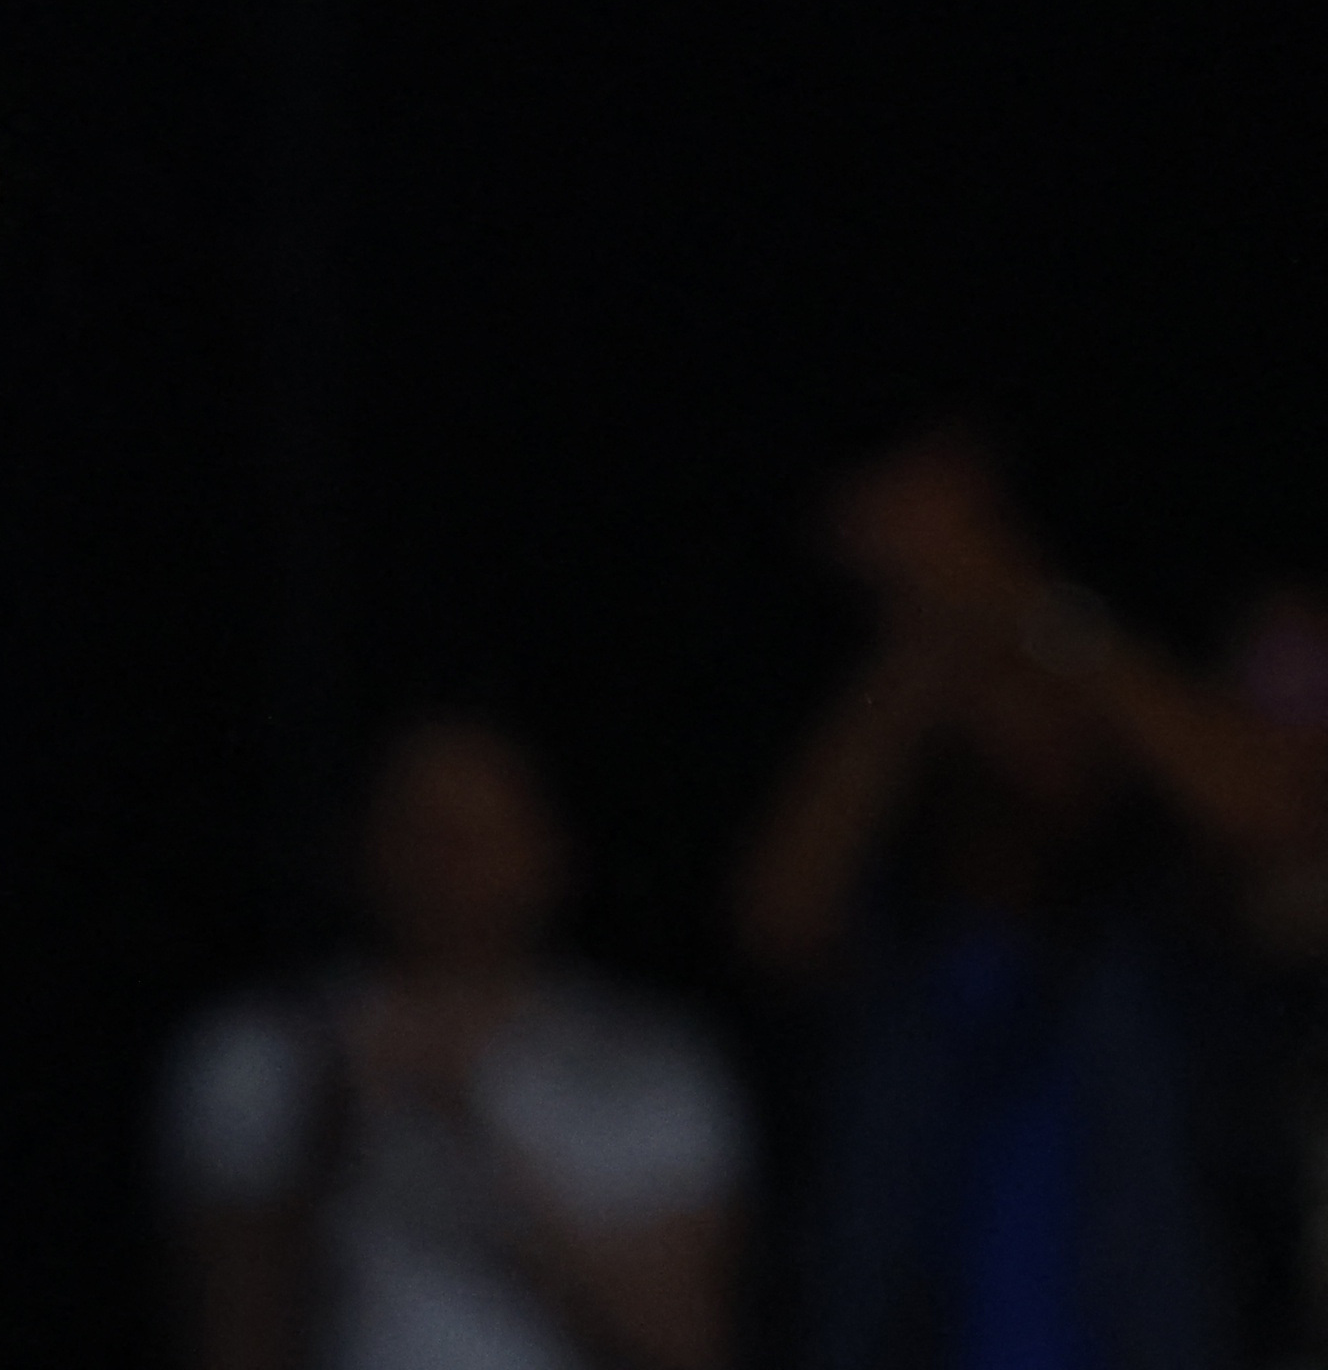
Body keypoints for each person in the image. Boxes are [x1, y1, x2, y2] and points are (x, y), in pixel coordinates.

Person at [737, 433, 1312, 1370]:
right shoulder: (893, 946)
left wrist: (1025, 605)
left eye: (1033, 693)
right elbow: (776, 917)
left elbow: (1268, 817)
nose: (1014, 722)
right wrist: (925, 650)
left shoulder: (1161, 936)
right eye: (985, 694)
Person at [163, 718, 748, 1370]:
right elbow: (235, 1334)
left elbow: (683, 1341)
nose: (447, 868)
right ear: (364, 847)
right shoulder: (265, 1051)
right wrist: (325, 1134)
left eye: (476, 840)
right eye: (423, 835)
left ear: (546, 849)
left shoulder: (646, 1059)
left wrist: (479, 1133)